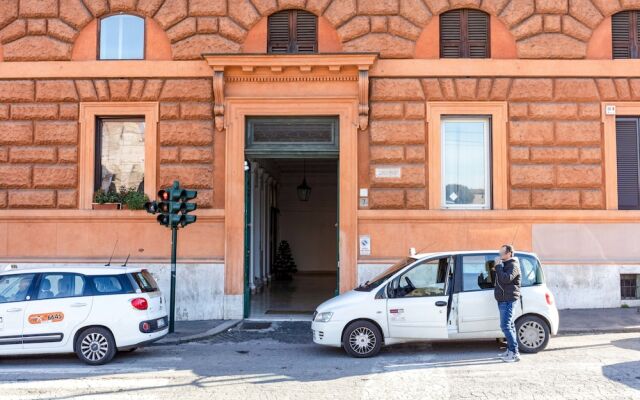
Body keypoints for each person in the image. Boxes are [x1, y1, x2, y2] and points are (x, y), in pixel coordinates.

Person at [493, 244, 521, 363]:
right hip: (502, 299)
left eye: (502, 253)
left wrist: (498, 267)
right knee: (510, 326)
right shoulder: (505, 265)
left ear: (509, 253)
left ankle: (514, 353)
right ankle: (510, 350)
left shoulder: (514, 265)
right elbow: (500, 279)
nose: (500, 255)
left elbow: (506, 279)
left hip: (508, 300)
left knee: (505, 326)